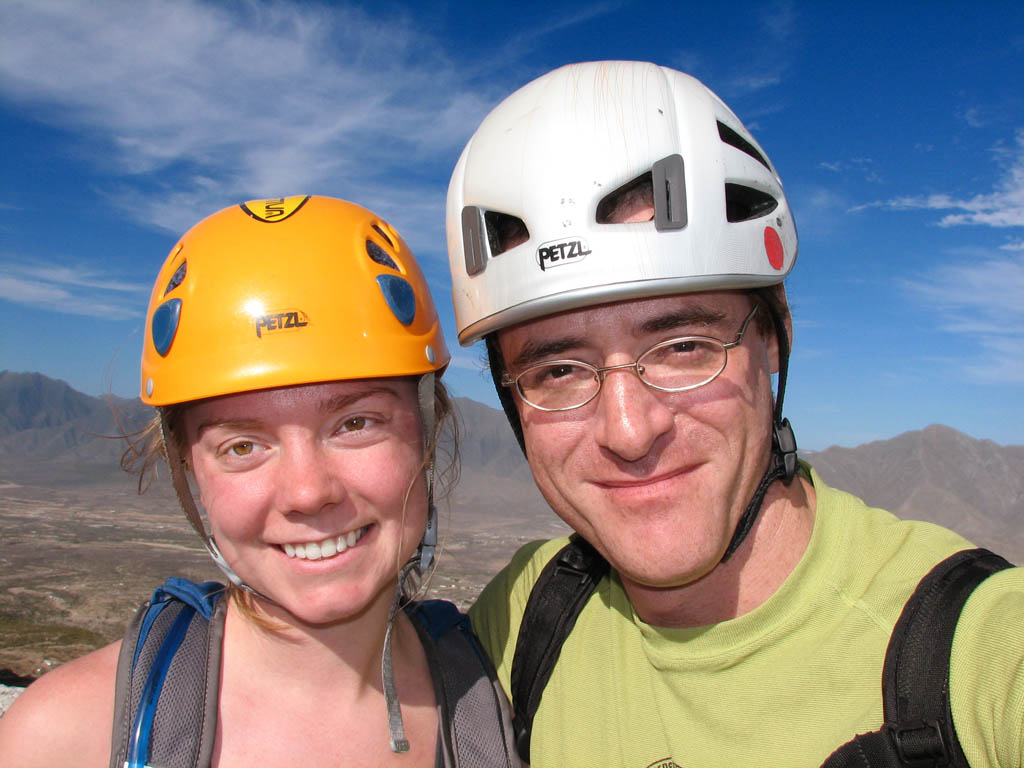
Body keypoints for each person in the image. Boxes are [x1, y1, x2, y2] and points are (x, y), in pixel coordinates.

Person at [445, 61, 1024, 767]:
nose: (629, 432)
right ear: (510, 397)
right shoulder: (520, 621)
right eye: (559, 370)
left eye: (683, 345)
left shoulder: (980, 652)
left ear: (772, 340)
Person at [0, 195, 518, 768]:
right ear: (188, 470)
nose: (306, 492)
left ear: (427, 430)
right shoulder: (66, 738)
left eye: (355, 423)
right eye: (242, 446)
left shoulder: (511, 704)